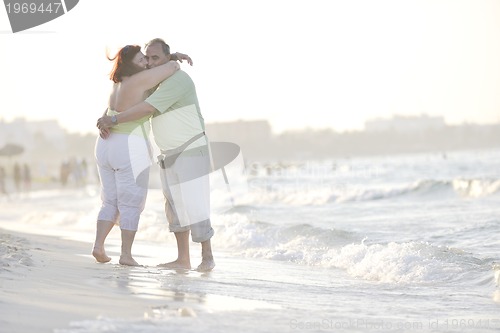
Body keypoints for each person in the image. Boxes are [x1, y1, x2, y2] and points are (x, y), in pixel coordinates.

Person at [97, 38, 215, 272]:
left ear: (165, 58)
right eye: (147, 58)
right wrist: (107, 115)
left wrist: (112, 120)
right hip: (169, 152)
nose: (149, 63)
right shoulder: (154, 83)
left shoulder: (177, 80)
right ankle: (183, 259)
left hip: (191, 148)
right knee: (174, 207)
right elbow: (127, 99)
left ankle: (207, 257)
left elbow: (147, 108)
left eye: (155, 58)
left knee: (195, 204)